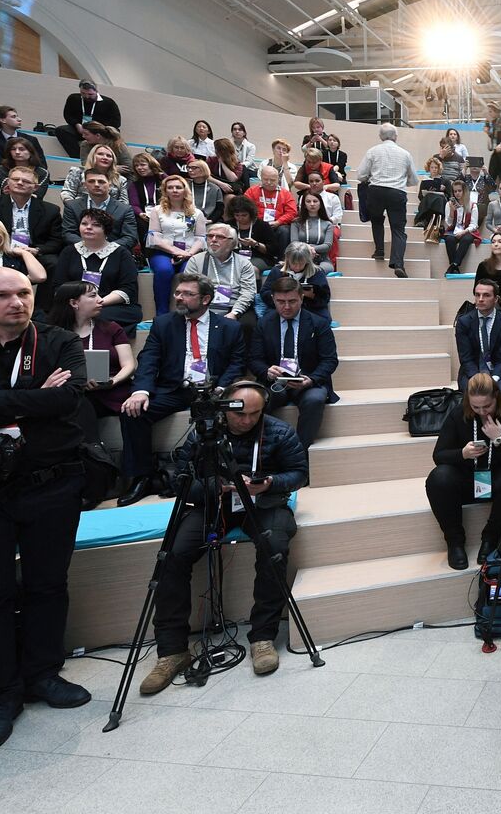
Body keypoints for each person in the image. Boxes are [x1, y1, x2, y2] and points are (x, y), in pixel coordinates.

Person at [0, 267, 91, 755]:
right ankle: (1, 696)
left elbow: (66, 400)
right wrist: (30, 400)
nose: (16, 302)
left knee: (47, 585)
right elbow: (45, 401)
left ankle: (43, 674)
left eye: (23, 292)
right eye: (2, 295)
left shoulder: (61, 342)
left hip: (52, 485)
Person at [136, 382, 307, 693]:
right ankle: (172, 651)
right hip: (213, 503)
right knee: (173, 555)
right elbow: (180, 479)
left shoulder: (279, 432)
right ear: (225, 409)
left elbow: (300, 473)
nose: (247, 421)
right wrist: (217, 487)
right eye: (240, 414)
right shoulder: (204, 434)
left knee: (275, 546)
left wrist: (268, 483)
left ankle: (262, 637)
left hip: (263, 502)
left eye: (256, 414)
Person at [117, 274, 247, 506]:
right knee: (132, 412)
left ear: (206, 299)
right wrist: (141, 391)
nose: (180, 298)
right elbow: (149, 359)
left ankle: (220, 476)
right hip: (175, 388)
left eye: (188, 294)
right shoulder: (164, 323)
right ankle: (142, 476)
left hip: (213, 390)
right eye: (178, 293)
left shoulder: (229, 327)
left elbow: (237, 363)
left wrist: (220, 387)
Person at [425, 372, 501, 570]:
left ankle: (491, 538)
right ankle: (454, 541)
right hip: (467, 479)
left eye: (486, 406)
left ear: (496, 398)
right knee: (438, 478)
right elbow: (439, 456)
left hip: (498, 481)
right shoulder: (457, 415)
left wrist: (499, 440)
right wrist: (462, 454)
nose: (481, 412)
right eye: (475, 406)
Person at [244, 274, 339, 451]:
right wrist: (266, 371)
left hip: (307, 380)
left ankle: (299, 452)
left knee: (315, 399)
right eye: (281, 301)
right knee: (259, 399)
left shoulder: (319, 323)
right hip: (275, 382)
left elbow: (330, 360)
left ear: (302, 298)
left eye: (292, 301)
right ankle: (259, 449)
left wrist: (311, 379)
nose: (286, 307)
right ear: (272, 299)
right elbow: (254, 359)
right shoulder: (264, 323)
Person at [47, 280, 136, 442]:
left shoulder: (111, 328)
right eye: (93, 296)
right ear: (74, 303)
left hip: (112, 390)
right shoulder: (54, 334)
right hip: (73, 391)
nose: (100, 300)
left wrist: (112, 381)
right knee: (76, 403)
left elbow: (129, 364)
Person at [54, 209, 142, 334]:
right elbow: (59, 285)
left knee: (99, 317)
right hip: (75, 304)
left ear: (106, 230)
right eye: (84, 224)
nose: (88, 228)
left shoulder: (121, 253)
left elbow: (128, 289)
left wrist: (97, 302)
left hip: (110, 305)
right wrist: (81, 303)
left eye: (96, 225)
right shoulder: (69, 251)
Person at [355, 123, 420, 278]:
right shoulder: (405, 154)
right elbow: (414, 180)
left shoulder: (372, 151)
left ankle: (379, 251)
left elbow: (361, 175)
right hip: (397, 192)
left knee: (377, 220)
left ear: (380, 137)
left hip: (376, 190)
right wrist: (403, 182)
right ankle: (398, 263)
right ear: (396, 137)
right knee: (398, 229)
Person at [0, 166, 64, 285]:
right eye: (15, 179)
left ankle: (42, 304)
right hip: (0, 249)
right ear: (8, 182)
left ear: (35, 187)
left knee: (53, 263)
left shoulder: (50, 210)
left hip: (32, 251)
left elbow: (56, 241)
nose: (20, 183)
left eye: (26, 181)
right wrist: (4, 247)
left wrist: (36, 250)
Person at [184, 223, 259, 335]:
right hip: (205, 306)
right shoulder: (195, 261)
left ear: (232, 242)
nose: (213, 240)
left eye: (220, 237)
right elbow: (189, 289)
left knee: (248, 324)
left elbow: (248, 292)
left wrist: (234, 313)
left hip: (234, 306)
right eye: (210, 236)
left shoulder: (244, 264)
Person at [455, 279, 501, 399]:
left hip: (498, 370)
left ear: (496, 299)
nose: (480, 299)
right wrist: (478, 379)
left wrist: (493, 379)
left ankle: (498, 419)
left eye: (486, 295)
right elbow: (466, 358)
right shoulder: (464, 322)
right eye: (477, 295)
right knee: (472, 394)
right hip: (472, 370)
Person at [62, 167, 139, 251]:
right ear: (84, 185)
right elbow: (68, 233)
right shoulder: (72, 206)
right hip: (80, 252)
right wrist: (88, 247)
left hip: (114, 254)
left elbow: (130, 237)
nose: (96, 185)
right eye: (91, 181)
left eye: (101, 181)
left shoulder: (125, 209)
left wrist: (106, 249)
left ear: (110, 184)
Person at [262, 242, 331, 322]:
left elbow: (325, 297)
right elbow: (264, 293)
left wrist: (312, 296)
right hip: (281, 308)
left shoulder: (317, 272)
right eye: (294, 264)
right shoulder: (277, 271)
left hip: (310, 308)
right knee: (267, 320)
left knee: (323, 321)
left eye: (301, 263)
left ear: (307, 260)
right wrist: (280, 296)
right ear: (287, 259)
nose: (297, 267)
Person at [56, 80, 121, 159]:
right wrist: (77, 125)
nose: (87, 97)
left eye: (90, 94)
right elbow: (68, 115)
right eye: (83, 93)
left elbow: (116, 122)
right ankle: (78, 157)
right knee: (61, 130)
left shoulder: (109, 102)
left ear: (96, 91)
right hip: (80, 129)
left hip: (100, 131)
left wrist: (97, 129)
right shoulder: (73, 98)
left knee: (113, 133)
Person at [229, 196, 283, 275]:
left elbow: (273, 250)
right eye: (237, 215)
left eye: (244, 215)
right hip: (234, 257)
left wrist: (255, 244)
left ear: (250, 214)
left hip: (259, 257)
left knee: (250, 268)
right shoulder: (229, 225)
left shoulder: (262, 225)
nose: (240, 218)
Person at [287, 189, 336, 274]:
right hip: (299, 258)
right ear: (304, 205)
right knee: (295, 267)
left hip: (321, 259)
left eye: (315, 201)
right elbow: (294, 243)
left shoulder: (328, 224)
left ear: (320, 204)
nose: (312, 204)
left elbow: (327, 246)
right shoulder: (296, 222)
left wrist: (311, 249)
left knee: (319, 270)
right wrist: (307, 249)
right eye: (308, 201)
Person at [0, 105, 39, 177]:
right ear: (3, 120)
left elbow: (39, 161)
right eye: (14, 117)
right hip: (4, 173)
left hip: (29, 172)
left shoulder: (31, 139)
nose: (19, 119)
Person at [61, 144, 127, 204]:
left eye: (109, 156)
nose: (105, 157)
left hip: (109, 214)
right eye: (100, 154)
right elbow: (67, 193)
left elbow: (124, 202)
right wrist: (73, 208)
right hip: (79, 211)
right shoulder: (77, 172)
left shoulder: (121, 180)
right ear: (92, 156)